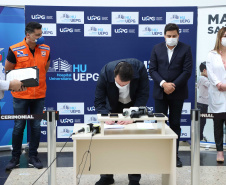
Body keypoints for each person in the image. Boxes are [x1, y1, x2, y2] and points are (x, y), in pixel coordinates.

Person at [94, 58, 149, 185]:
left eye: (125, 84)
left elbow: (143, 95)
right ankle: (106, 176)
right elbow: (99, 100)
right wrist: (107, 116)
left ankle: (134, 179)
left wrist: (133, 117)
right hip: (113, 107)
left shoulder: (140, 69)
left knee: (135, 144)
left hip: (133, 106)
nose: (122, 86)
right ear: (114, 75)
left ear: (132, 78)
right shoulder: (106, 71)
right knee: (107, 143)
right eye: (120, 84)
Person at [5, 22, 51, 170]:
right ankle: (15, 158)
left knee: (36, 127)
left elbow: (45, 67)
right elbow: (8, 71)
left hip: (39, 95)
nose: (40, 37)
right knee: (19, 126)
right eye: (37, 35)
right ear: (28, 35)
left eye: (41, 33)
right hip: (20, 96)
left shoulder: (46, 49)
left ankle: (33, 156)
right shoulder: (15, 49)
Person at [149, 23, 193, 167]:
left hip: (177, 92)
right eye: (169, 36)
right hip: (160, 92)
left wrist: (172, 85)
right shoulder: (156, 48)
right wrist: (163, 84)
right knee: (160, 125)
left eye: (174, 36)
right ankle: (159, 155)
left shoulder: (186, 49)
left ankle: (175, 156)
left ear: (178, 35)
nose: (172, 38)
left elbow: (187, 71)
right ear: (164, 36)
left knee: (175, 124)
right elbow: (153, 70)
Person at [206, 27, 226, 163]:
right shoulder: (211, 54)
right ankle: (219, 152)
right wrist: (219, 84)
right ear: (219, 38)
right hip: (217, 93)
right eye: (224, 36)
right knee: (218, 124)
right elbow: (210, 71)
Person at [197, 62, 210, 142]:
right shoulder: (203, 79)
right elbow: (211, 85)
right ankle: (199, 138)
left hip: (202, 103)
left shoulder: (200, 78)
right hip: (202, 104)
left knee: (202, 122)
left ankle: (200, 137)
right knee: (202, 122)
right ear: (204, 70)